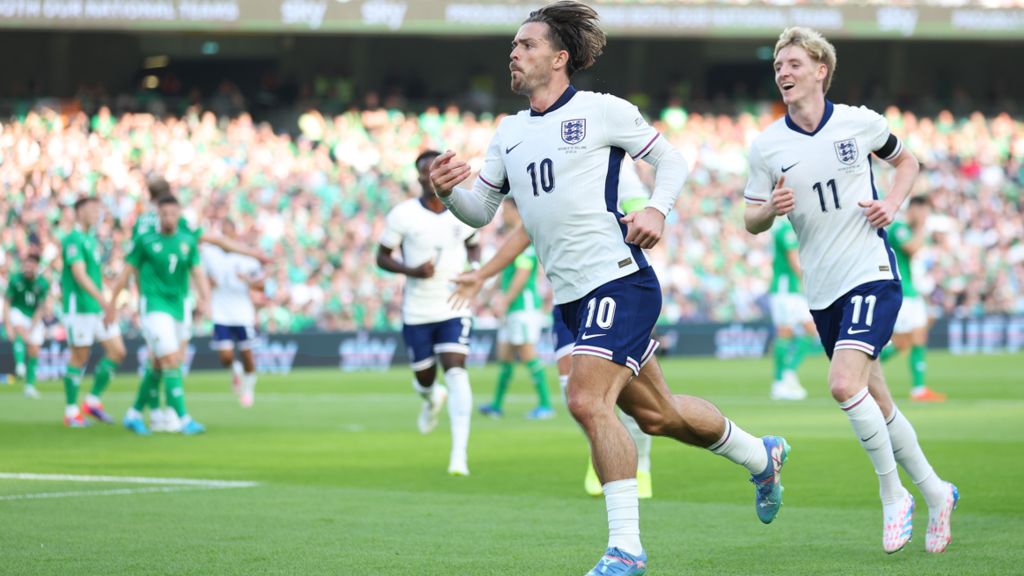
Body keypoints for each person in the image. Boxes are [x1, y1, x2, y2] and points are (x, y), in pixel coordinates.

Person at [431, 3, 789, 573]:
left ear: (559, 57)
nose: (514, 53)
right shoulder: (509, 132)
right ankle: (759, 455)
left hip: (619, 281)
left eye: (526, 45)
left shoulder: (602, 111)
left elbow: (670, 160)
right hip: (570, 299)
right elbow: (481, 211)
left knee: (584, 399)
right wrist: (450, 192)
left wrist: (656, 208)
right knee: (658, 415)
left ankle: (626, 548)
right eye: (514, 45)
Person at [742, 27, 957, 554]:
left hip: (871, 272)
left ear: (820, 70)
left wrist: (895, 204)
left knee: (843, 384)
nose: (783, 72)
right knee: (876, 398)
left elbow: (908, 162)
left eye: (793, 63)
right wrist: (772, 207)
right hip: (823, 290)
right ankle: (936, 490)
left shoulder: (861, 123)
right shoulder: (767, 145)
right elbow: (751, 220)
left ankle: (893, 495)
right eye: (777, 65)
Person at [451, 159, 656, 499]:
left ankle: (640, 463)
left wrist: (645, 216)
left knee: (631, 397)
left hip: (616, 289)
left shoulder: (607, 156)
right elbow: (525, 232)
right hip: (567, 298)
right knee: (574, 391)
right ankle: (603, 452)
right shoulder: (540, 164)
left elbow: (639, 201)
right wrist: (482, 275)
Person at [377, 150, 480, 476]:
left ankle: (459, 455)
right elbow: (382, 257)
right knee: (424, 380)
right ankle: (430, 397)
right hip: (417, 310)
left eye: (440, 168)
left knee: (456, 369)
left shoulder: (461, 208)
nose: (433, 175)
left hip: (453, 305)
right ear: (420, 176)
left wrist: (474, 269)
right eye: (427, 171)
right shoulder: (403, 214)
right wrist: (411, 270)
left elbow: (473, 241)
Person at [111, 196, 211, 436]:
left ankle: (134, 414)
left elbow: (197, 272)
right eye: (163, 214)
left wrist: (206, 300)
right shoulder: (145, 241)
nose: (168, 218)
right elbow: (126, 272)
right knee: (170, 360)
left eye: (172, 214)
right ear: (158, 215)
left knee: (158, 363)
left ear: (179, 215)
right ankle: (183, 418)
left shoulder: (187, 241)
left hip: (178, 307)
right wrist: (112, 305)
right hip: (154, 307)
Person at [476, 199, 554, 420]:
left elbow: (521, 274)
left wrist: (504, 300)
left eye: (507, 210)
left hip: (523, 306)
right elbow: (503, 273)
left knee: (527, 352)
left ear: (517, 211)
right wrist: (486, 296)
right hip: (512, 308)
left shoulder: (525, 238)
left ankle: (546, 405)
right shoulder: (510, 240)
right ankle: (497, 405)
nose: (503, 215)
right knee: (505, 355)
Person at [59, 197, 126, 427]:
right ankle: (70, 412)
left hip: (96, 307)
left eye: (98, 209)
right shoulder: (73, 239)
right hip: (79, 308)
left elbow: (94, 276)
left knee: (118, 351)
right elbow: (79, 274)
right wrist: (104, 301)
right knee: (79, 357)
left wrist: (105, 300)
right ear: (78, 212)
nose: (96, 213)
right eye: (91, 209)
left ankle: (93, 402)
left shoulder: (90, 239)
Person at [879, 196, 946, 402]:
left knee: (918, 339)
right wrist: (921, 227)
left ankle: (919, 389)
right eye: (923, 211)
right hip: (900, 292)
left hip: (911, 292)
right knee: (901, 342)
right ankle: (860, 369)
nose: (925, 216)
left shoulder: (909, 229)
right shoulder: (899, 227)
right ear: (914, 209)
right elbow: (913, 248)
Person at [201, 220, 265, 407]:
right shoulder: (210, 255)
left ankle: (248, 389)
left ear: (235, 234)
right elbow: (201, 275)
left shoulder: (246, 256)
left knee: (247, 354)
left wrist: (246, 280)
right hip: (221, 312)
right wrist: (207, 285)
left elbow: (261, 285)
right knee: (226, 356)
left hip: (242, 312)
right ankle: (235, 371)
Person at [768, 218, 814, 400]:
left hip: (793, 290)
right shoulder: (785, 229)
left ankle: (788, 373)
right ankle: (780, 381)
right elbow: (794, 259)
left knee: (810, 331)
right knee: (785, 332)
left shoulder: (792, 228)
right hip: (785, 289)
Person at [4, 254, 52, 399]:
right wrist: (8, 324)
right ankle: (19, 364)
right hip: (17, 310)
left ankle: (29, 386)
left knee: (34, 351)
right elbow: (7, 302)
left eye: (31, 264)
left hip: (32, 316)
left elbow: (41, 307)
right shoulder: (15, 279)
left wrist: (33, 325)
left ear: (36, 266)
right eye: (26, 264)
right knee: (20, 329)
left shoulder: (43, 283)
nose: (28, 267)